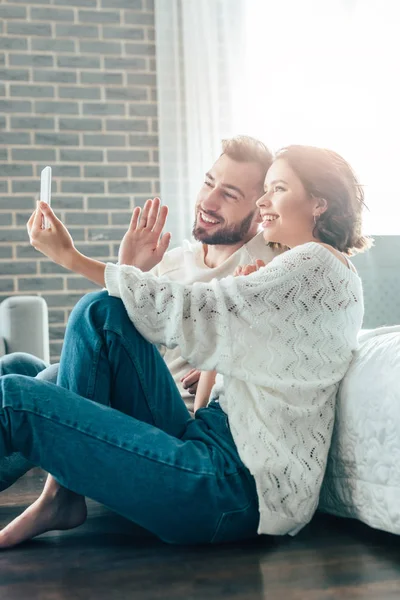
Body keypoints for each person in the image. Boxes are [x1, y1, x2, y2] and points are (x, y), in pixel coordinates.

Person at [0, 144, 370, 549]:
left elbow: (196, 309)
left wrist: (71, 258)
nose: (265, 201)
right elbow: (221, 352)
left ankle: (61, 496)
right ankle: (62, 496)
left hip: (234, 486)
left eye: (277, 189)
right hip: (209, 443)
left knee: (13, 398)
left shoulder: (315, 264)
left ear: (319, 203)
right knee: (101, 313)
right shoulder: (299, 267)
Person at [0, 135, 279, 492]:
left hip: (178, 423)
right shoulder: (175, 261)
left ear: (260, 210)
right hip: (137, 398)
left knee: (51, 378)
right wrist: (131, 268)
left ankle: (61, 492)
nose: (207, 201)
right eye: (209, 183)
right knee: (19, 366)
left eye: (229, 195)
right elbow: (109, 339)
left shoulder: (261, 267)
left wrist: (219, 360)